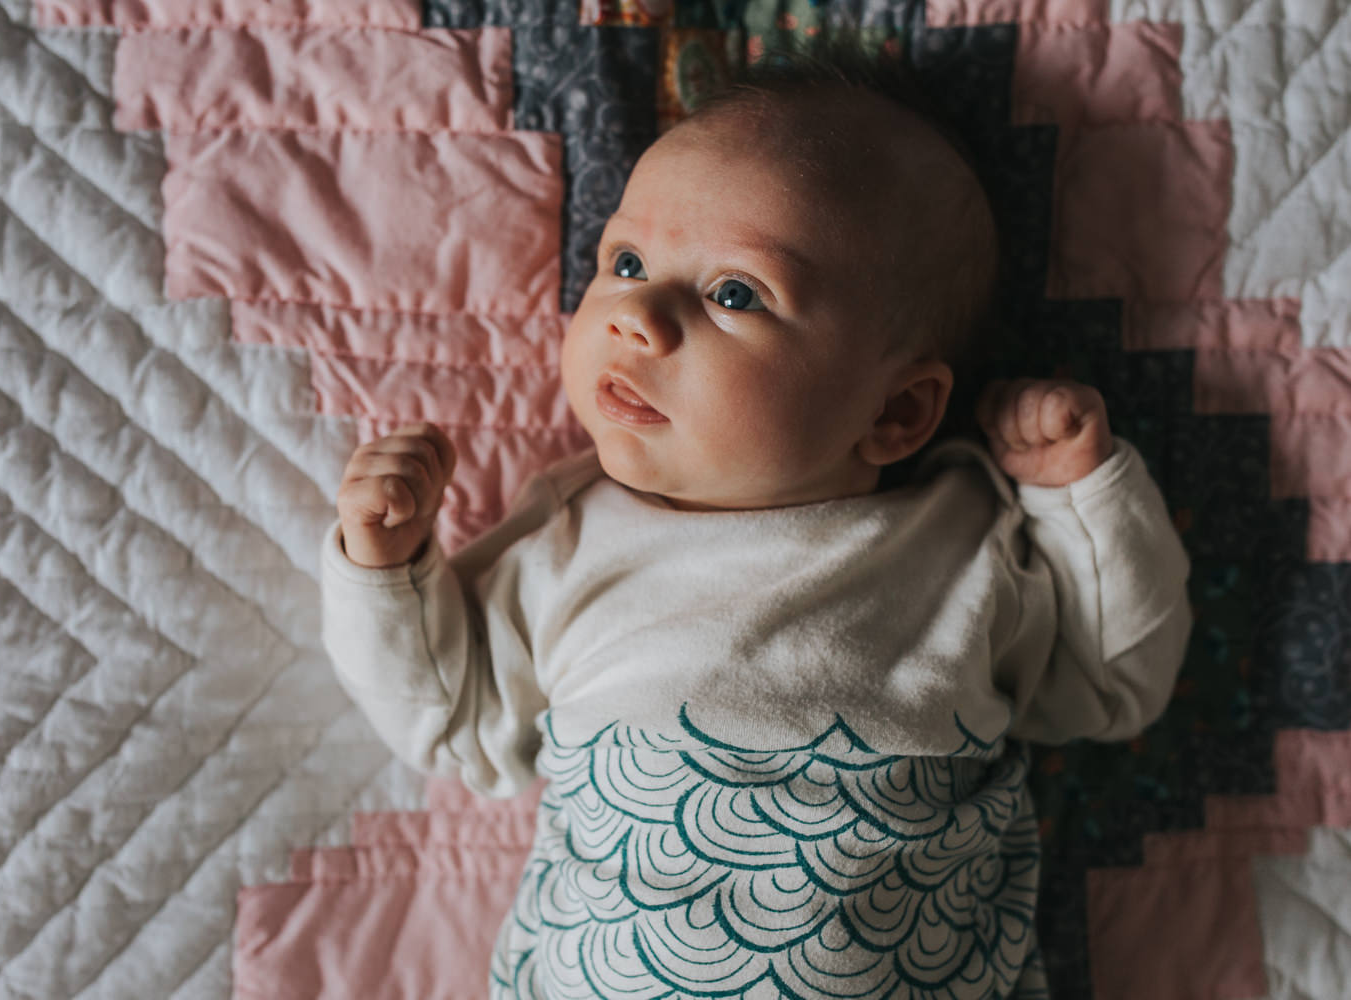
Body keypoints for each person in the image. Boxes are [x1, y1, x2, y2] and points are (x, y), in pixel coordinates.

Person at [319, 42, 1192, 1000]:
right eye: (626, 260)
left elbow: (1113, 687)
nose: (636, 316)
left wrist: (1081, 496)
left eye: (734, 292)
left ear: (896, 413)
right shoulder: (567, 538)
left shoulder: (961, 535)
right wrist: (385, 570)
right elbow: (454, 723)